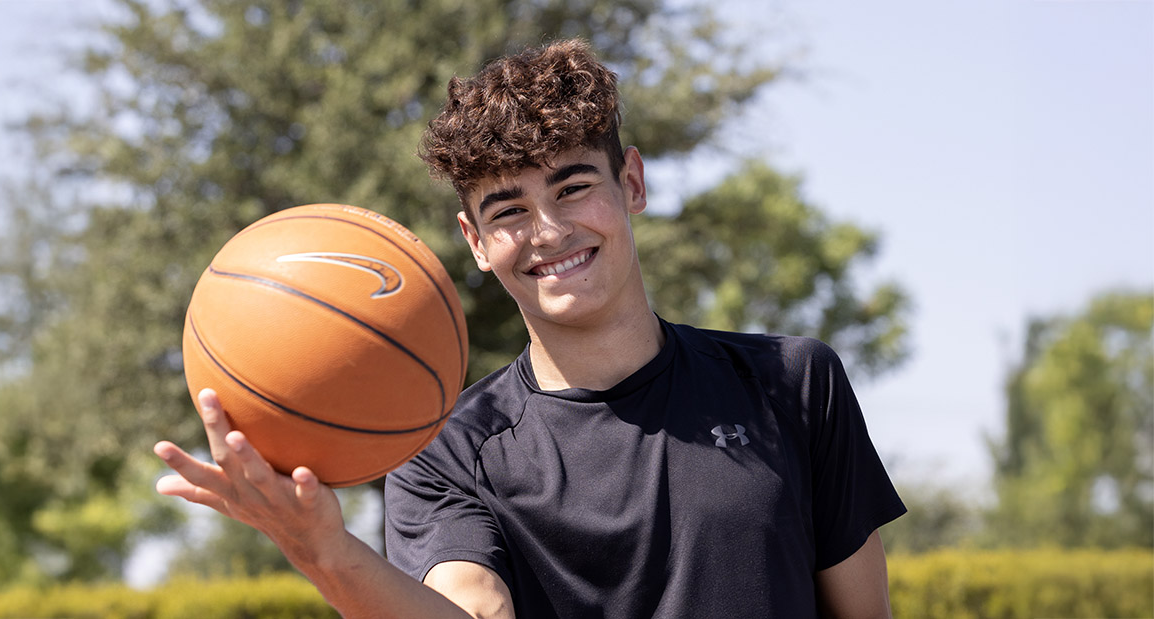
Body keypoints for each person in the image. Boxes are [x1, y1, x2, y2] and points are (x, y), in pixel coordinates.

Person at [155, 39, 905, 618]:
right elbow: (475, 611)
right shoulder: (444, 451)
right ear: (476, 242)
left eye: (573, 187)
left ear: (632, 183)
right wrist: (321, 549)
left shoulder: (791, 382)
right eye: (509, 210)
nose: (548, 232)